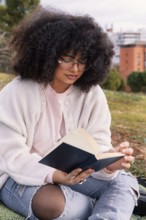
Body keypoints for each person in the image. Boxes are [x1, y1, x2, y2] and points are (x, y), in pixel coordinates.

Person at [0, 5, 139, 220]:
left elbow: (98, 143)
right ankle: (108, 208)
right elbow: (10, 157)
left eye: (82, 60)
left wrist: (110, 163)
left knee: (125, 181)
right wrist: (55, 175)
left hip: (78, 174)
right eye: (66, 58)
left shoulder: (92, 94)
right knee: (56, 206)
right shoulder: (17, 92)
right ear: (47, 53)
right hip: (20, 176)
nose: (75, 68)